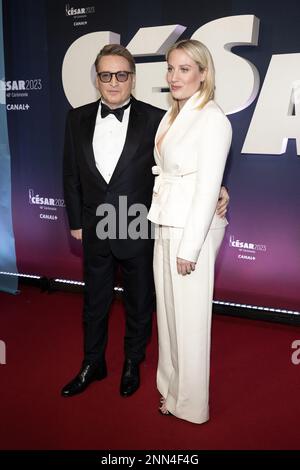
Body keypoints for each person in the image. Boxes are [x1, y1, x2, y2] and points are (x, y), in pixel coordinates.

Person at [62, 44, 229, 398]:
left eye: (121, 75)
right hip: (95, 224)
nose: (113, 82)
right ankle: (93, 362)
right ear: (96, 78)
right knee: (94, 301)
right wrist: (76, 220)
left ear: (133, 79)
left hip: (137, 221)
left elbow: (181, 162)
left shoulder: (157, 117)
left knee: (140, 302)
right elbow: (71, 173)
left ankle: (131, 363)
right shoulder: (75, 118)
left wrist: (219, 187)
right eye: (105, 75)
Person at [147, 39, 232, 423]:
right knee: (167, 314)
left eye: (184, 69)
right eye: (170, 68)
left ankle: (192, 405)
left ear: (202, 73)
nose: (174, 76)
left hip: (190, 233)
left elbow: (208, 186)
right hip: (165, 221)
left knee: (191, 320)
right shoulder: (173, 115)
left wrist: (190, 248)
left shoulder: (212, 118)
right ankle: (170, 386)